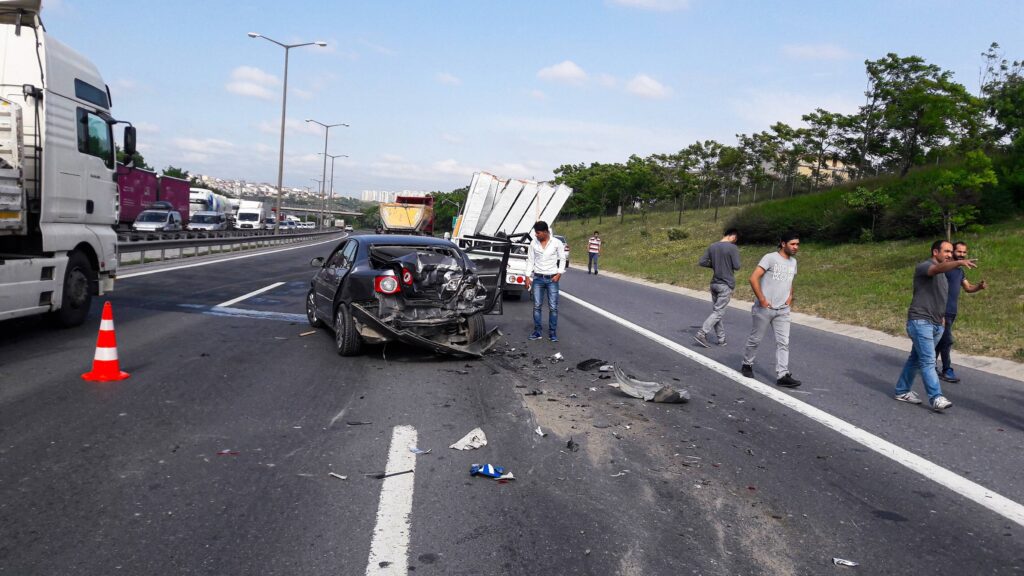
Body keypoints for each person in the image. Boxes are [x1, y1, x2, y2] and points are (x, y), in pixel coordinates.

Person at [894, 240, 977, 412]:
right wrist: (960, 262)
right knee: (928, 360)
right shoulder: (925, 266)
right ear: (935, 252)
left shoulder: (944, 275)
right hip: (920, 321)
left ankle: (902, 391)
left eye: (951, 252)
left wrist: (942, 318)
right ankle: (936, 397)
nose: (949, 254)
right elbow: (936, 269)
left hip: (937, 323)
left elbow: (941, 297)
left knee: (916, 359)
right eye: (946, 251)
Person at [740, 232, 801, 388]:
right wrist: (761, 299)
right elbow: (753, 278)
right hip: (764, 308)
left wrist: (790, 297)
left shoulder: (793, 262)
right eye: (793, 244)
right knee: (756, 339)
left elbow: (790, 281)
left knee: (784, 343)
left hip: (783, 310)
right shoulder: (770, 258)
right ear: (783, 244)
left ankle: (783, 375)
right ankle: (747, 364)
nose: (796, 247)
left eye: (797, 244)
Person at [934, 241, 987, 383]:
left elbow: (968, 288)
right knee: (947, 340)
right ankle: (947, 370)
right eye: (959, 252)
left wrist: (979, 287)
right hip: (941, 312)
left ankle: (929, 366)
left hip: (952, 312)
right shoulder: (943, 268)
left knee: (940, 340)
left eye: (964, 252)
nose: (962, 255)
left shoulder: (959, 271)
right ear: (952, 252)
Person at [694, 228, 741, 348]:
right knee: (718, 312)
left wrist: (714, 264)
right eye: (735, 239)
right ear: (732, 236)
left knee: (716, 312)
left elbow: (702, 262)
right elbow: (737, 266)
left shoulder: (712, 246)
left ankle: (721, 339)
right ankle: (701, 333)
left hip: (714, 283)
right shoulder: (732, 248)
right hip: (725, 284)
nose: (735, 241)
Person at [525, 221, 566, 342]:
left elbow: (563, 259)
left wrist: (559, 273)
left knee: (553, 307)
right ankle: (537, 331)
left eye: (538, 233)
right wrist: (527, 276)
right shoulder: (533, 243)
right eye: (535, 233)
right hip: (537, 278)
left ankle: (552, 332)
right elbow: (530, 260)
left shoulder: (557, 243)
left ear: (545, 232)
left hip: (552, 279)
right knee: (537, 306)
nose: (536, 235)